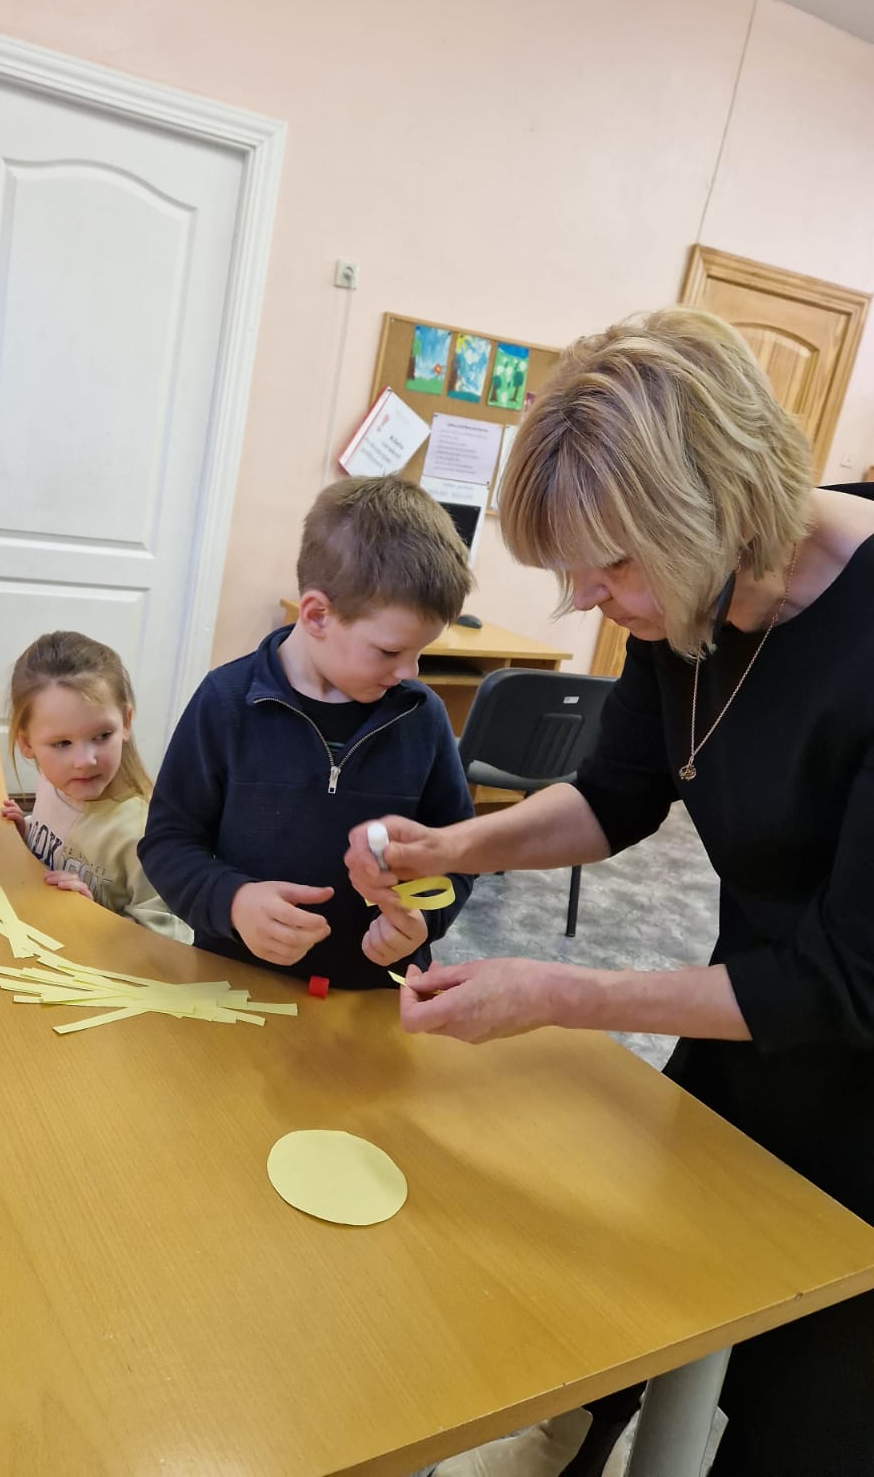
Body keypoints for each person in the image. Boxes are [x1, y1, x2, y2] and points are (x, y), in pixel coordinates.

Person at [346, 308, 874, 1476]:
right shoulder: (690, 594)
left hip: (858, 1084)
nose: (586, 598)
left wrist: (559, 993)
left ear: (717, 511)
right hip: (745, 1041)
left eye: (614, 565)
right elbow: (618, 796)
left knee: (799, 1413)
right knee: (637, 1313)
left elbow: (843, 981)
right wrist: (449, 845)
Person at [138, 475, 475, 988]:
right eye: (390, 651)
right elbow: (168, 842)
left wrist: (422, 922)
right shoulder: (224, 703)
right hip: (237, 985)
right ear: (317, 615)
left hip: (372, 993)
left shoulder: (421, 716)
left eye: (420, 652)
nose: (410, 672)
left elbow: (460, 853)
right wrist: (232, 901)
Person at [1, 630, 190, 944]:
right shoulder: (52, 780)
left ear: (126, 722)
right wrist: (26, 835)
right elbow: (65, 841)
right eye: (62, 743)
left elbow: (171, 939)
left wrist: (91, 918)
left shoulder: (144, 833)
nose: (85, 761)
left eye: (102, 736)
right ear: (27, 743)